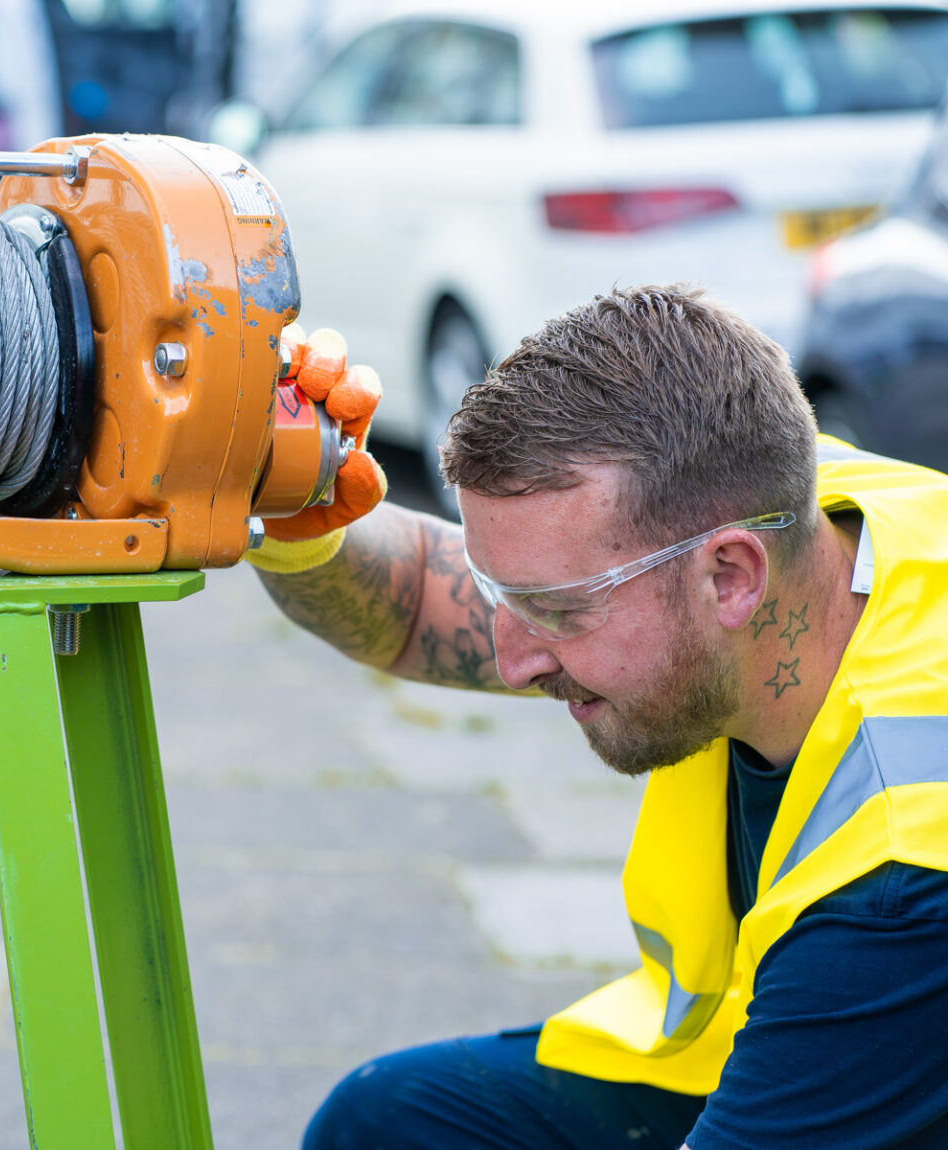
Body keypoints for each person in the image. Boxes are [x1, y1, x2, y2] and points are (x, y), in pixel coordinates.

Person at [246, 285, 948, 1149]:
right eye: (506, 595)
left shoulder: (906, 873)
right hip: (749, 1034)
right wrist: (287, 499)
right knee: (391, 1122)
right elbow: (419, 603)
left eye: (556, 608)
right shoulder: (796, 498)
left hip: (885, 1028)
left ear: (732, 576)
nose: (512, 657)